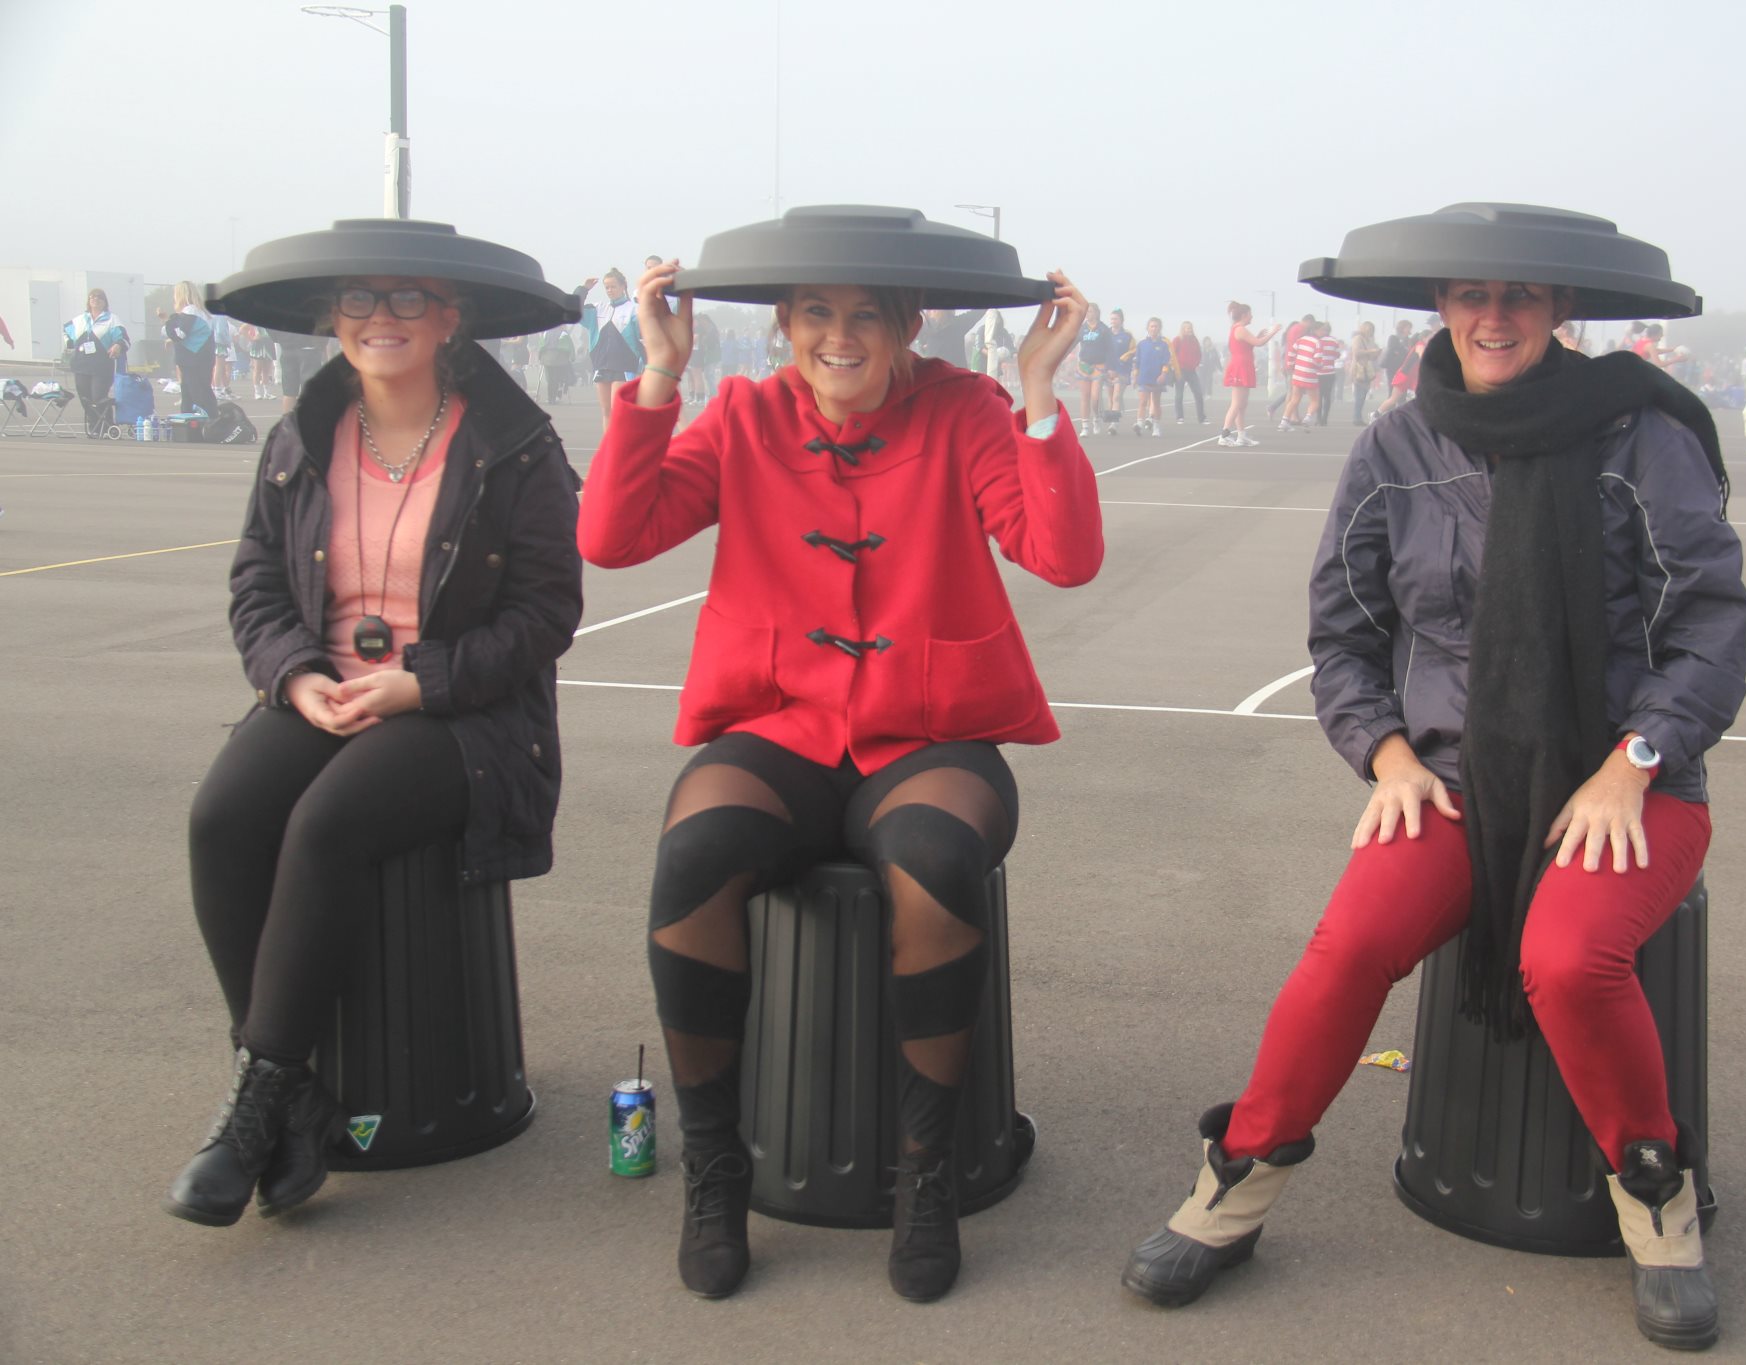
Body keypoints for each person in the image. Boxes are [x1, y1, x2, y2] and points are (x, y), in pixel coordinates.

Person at [1122, 270, 1746, 1353]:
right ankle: (1236, 1184)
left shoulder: (1642, 435)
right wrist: (1385, 753)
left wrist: (1636, 759)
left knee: (1568, 959)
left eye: (1519, 297)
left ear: (1560, 312)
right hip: (1456, 774)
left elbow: (1709, 625)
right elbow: (1344, 634)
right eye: (1471, 296)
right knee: (1351, 941)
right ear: (1443, 309)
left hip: (1627, 778)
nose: (1493, 317)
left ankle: (1657, 1198)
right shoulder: (1395, 446)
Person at [579, 255, 1102, 1304]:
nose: (840, 336)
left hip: (932, 734)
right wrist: (658, 375)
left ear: (909, 325)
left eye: (868, 315)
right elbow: (612, 536)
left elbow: (1063, 555)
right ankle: (715, 1168)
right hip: (780, 727)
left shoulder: (965, 410)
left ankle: (925, 1171)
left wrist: (1039, 389)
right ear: (784, 322)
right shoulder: (741, 416)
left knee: (933, 860)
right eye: (816, 312)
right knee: (694, 856)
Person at [165, 259, 584, 1229]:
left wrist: (421, 682)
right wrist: (292, 674)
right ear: (332, 318)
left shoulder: (516, 445)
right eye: (358, 300)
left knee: (328, 823)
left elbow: (545, 612)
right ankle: (288, 1091)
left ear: (448, 317)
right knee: (222, 816)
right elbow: (256, 582)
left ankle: (252, 1112)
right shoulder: (302, 434)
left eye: (405, 300)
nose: (378, 318)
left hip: (465, 713)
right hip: (328, 691)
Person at [61, 288, 129, 436]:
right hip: (81, 365)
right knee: (85, 399)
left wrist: (117, 346)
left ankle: (108, 427)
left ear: (104, 301)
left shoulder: (112, 319)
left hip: (102, 367)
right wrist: (69, 343)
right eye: (92, 297)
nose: (95, 299)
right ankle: (95, 427)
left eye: (99, 297)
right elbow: (66, 330)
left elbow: (124, 339)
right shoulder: (80, 320)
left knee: (98, 398)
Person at [582, 268, 644, 426]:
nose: (610, 290)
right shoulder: (598, 308)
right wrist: (583, 289)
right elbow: (573, 310)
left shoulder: (634, 309)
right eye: (607, 287)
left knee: (619, 411)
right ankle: (609, 442)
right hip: (602, 365)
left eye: (613, 286)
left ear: (623, 286)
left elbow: (643, 338)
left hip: (625, 366)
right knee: (606, 411)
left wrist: (645, 365)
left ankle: (623, 441)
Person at [1218, 302, 1281, 446]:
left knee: (1242, 404)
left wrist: (1259, 336)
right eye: (1250, 314)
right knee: (1236, 403)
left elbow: (1250, 344)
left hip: (1244, 365)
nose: (1252, 317)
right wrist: (1273, 332)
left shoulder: (1240, 329)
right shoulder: (1239, 329)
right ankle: (1224, 434)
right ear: (1244, 315)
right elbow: (1258, 343)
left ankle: (1241, 435)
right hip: (1240, 366)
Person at [159, 281, 219, 420]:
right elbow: (189, 333)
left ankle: (209, 420)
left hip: (194, 359)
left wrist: (167, 321)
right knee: (189, 391)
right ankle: (190, 421)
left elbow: (179, 334)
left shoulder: (190, 311)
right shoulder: (200, 312)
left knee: (197, 391)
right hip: (200, 357)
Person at [1074, 302, 1115, 436]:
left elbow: (1110, 349)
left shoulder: (1104, 329)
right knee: (1085, 396)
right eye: (1086, 311)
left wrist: (1110, 367)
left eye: (1090, 311)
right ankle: (1085, 426)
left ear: (1096, 313)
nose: (1088, 314)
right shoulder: (1082, 328)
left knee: (1095, 397)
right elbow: (1073, 343)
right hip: (1084, 365)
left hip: (1099, 366)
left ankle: (1096, 417)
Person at [1132, 316, 1173, 435]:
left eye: (1156, 326)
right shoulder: (1142, 344)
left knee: (1156, 403)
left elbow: (1166, 362)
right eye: (1151, 326)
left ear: (1159, 328)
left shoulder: (1163, 345)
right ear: (1148, 328)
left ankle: (1156, 427)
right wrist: (1135, 376)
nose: (1154, 328)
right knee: (1142, 402)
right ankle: (1139, 424)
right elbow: (1137, 362)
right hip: (1144, 377)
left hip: (1157, 378)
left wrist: (1163, 374)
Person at [1171, 320, 1208, 425]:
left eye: (1190, 328)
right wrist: (1175, 366)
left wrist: (1196, 363)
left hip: (1192, 371)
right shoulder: (1177, 340)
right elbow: (1172, 353)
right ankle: (1180, 417)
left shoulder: (1194, 340)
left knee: (1198, 393)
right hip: (1180, 370)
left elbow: (1198, 354)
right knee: (1179, 394)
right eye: (1187, 328)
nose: (1189, 330)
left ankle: (1202, 418)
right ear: (1183, 329)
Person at [1348, 321, 1381, 424]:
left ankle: (1358, 417)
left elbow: (1371, 356)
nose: (1370, 332)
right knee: (1359, 395)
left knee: (1363, 395)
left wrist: (1376, 353)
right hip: (1358, 369)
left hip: (1367, 369)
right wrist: (1371, 351)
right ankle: (1356, 418)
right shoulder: (1358, 339)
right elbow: (1356, 352)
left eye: (1372, 330)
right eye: (1369, 329)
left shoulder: (1370, 340)